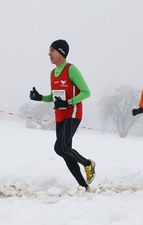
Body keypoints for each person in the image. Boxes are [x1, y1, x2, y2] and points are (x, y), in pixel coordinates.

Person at [29, 39, 95, 191]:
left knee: (60, 148)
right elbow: (53, 97)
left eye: (52, 50)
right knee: (66, 151)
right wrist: (39, 97)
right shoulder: (53, 73)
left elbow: (86, 92)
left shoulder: (71, 69)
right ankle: (84, 185)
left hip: (73, 114)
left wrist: (69, 102)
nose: (49, 53)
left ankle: (87, 163)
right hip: (60, 116)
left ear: (61, 52)